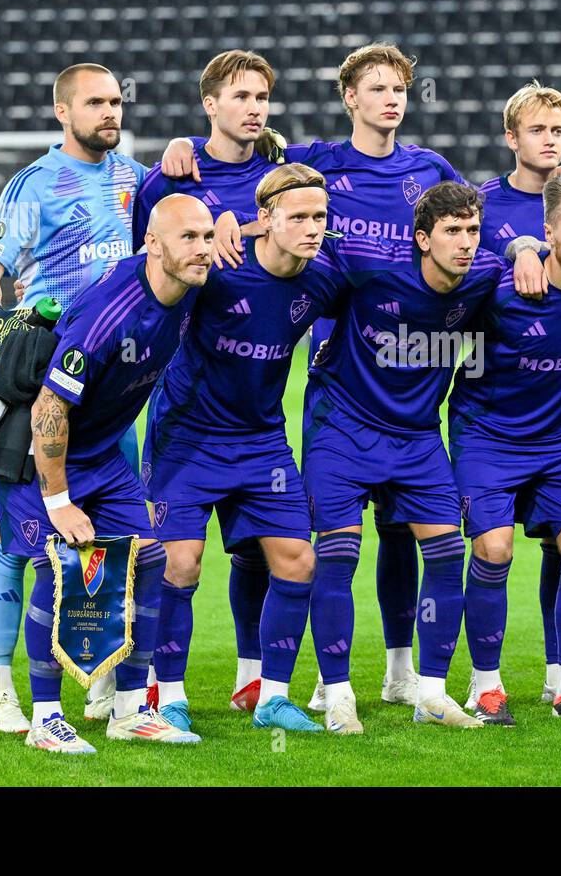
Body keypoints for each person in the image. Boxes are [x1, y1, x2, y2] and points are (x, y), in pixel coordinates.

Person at [161, 43, 468, 712]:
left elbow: (472, 232)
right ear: (349, 97)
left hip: (411, 378)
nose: (392, 98)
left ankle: (400, 670)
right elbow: (242, 170)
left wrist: (525, 247)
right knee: (276, 547)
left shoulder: (431, 169)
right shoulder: (316, 162)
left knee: (403, 534)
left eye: (400, 88)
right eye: (377, 87)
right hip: (339, 377)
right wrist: (187, 155)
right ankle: (256, 678)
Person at [0, 63, 149, 733]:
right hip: (43, 388)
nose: (109, 112)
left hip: (112, 393)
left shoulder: (136, 179)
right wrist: (3, 327)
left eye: (116, 101)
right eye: (95, 102)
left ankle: (98, 680)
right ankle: (0, 688)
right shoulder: (32, 186)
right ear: (61, 112)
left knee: (104, 539)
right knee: (20, 543)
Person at [302, 182, 515, 733]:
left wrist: (528, 250)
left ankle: (433, 693)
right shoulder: (371, 265)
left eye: (472, 230)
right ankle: (338, 691)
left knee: (446, 555)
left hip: (418, 438)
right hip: (343, 430)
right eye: (452, 232)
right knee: (339, 555)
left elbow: (533, 258)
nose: (465, 243)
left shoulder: (486, 276)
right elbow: (303, 241)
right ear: (422, 239)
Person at [144, 164, 346, 733]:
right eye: (299, 217)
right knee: (179, 566)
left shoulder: (323, 278)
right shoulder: (218, 270)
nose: (312, 228)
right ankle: (169, 694)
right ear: (266, 219)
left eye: (320, 217)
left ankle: (273, 699)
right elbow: (154, 265)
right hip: (187, 438)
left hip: (261, 442)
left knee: (299, 560)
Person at [10, 193, 213, 753]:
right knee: (62, 572)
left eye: (205, 236)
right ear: (153, 244)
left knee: (151, 556)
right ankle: (44, 719)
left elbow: (250, 236)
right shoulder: (111, 314)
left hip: (101, 454)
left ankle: (128, 710)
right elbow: (48, 409)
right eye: (187, 238)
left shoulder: (187, 280)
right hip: (44, 457)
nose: (202, 249)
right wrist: (59, 501)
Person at [132, 50, 286, 711]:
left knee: (257, 553)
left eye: (262, 97)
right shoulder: (172, 179)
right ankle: (159, 687)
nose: (254, 107)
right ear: (210, 105)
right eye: (241, 96)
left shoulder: (278, 180)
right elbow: (145, 266)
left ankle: (252, 678)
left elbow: (302, 225)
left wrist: (246, 223)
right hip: (187, 402)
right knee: (178, 562)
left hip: (258, 404)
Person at [451, 173, 561, 725]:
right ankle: (485, 688)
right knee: (495, 549)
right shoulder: (499, 289)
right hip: (487, 436)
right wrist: (517, 249)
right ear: (548, 231)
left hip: (559, 440)